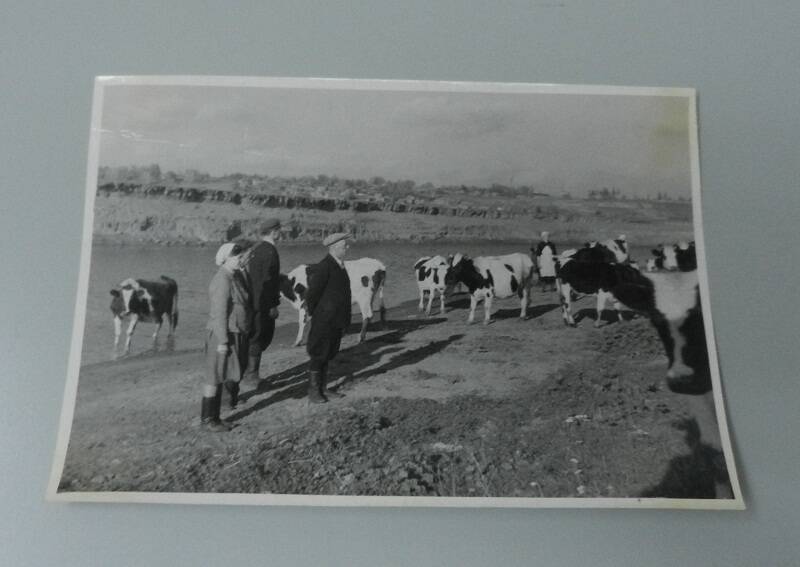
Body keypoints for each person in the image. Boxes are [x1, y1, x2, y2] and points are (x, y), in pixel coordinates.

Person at [201, 242, 252, 432]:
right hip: (220, 334)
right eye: (238, 257)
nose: (241, 260)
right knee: (213, 376)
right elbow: (219, 313)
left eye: (240, 257)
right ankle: (208, 420)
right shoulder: (222, 279)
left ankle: (214, 417)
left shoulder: (232, 276)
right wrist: (222, 341)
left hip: (228, 333)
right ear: (226, 259)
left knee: (220, 375)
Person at [304, 232, 353, 404]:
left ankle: (323, 388)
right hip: (324, 320)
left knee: (328, 353)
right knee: (318, 354)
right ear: (334, 248)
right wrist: (316, 314)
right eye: (344, 246)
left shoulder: (339, 265)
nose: (347, 248)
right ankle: (313, 391)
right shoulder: (324, 266)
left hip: (336, 320)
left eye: (346, 245)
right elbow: (312, 295)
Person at [242, 218, 282, 384]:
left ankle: (247, 373)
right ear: (273, 232)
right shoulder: (270, 251)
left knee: (252, 336)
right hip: (263, 302)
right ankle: (252, 375)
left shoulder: (255, 249)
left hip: (251, 301)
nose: (281, 233)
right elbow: (268, 281)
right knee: (260, 336)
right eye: (279, 230)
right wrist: (272, 305)